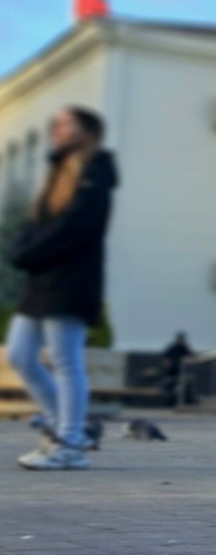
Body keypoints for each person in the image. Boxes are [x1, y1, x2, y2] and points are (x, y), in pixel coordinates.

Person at [6, 106, 117, 471]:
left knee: (65, 360)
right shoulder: (56, 172)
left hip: (72, 280)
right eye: (55, 122)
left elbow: (78, 225)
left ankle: (69, 444)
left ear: (88, 130)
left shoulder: (96, 170)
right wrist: (22, 249)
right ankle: (67, 429)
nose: (57, 127)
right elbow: (38, 224)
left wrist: (31, 253)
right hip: (43, 280)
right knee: (20, 354)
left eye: (67, 122)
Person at [159, 330, 195, 406]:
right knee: (168, 385)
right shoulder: (172, 347)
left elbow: (191, 357)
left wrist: (188, 361)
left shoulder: (184, 348)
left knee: (184, 386)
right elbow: (165, 358)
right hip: (171, 371)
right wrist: (167, 363)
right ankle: (169, 401)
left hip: (182, 371)